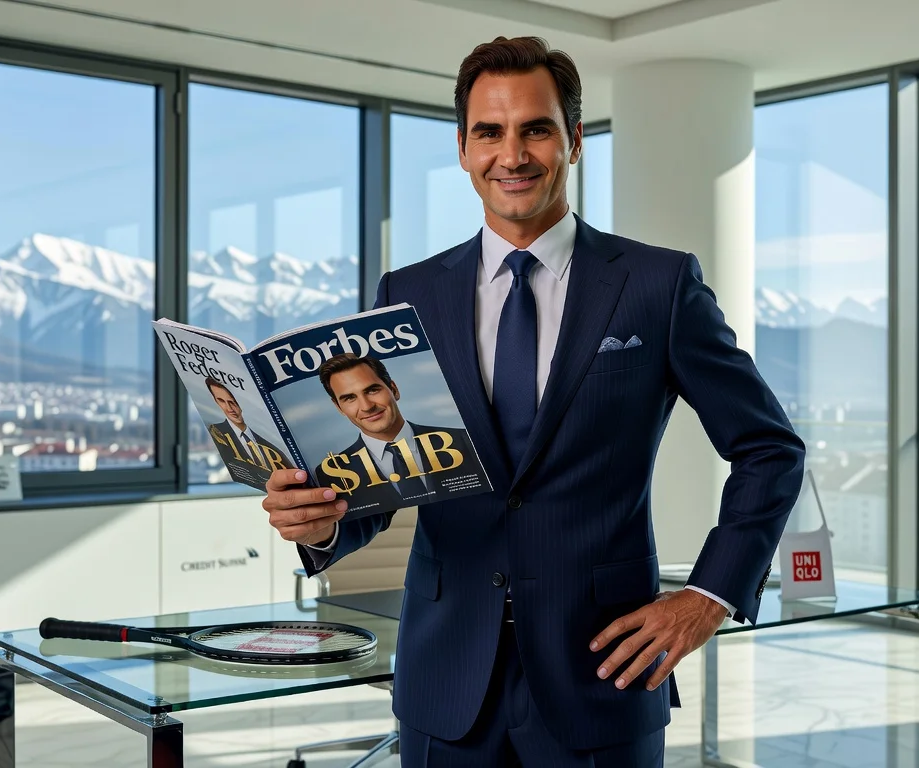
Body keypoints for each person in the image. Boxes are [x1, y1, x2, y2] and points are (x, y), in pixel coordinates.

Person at [263, 36, 805, 767]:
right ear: (462, 149)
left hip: (605, 675)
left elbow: (769, 449)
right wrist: (322, 525)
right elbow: (392, 475)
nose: (511, 154)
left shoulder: (657, 286)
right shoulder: (407, 296)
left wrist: (709, 595)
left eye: (536, 129)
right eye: (489, 131)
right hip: (444, 679)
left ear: (574, 141)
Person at [314, 352, 479, 510]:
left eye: (372, 390)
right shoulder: (333, 473)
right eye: (350, 398)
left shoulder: (464, 440)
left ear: (393, 389)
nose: (367, 407)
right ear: (339, 407)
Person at [204, 377, 290, 487]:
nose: (229, 408)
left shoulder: (269, 443)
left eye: (233, 402)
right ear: (216, 401)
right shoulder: (216, 432)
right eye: (221, 401)